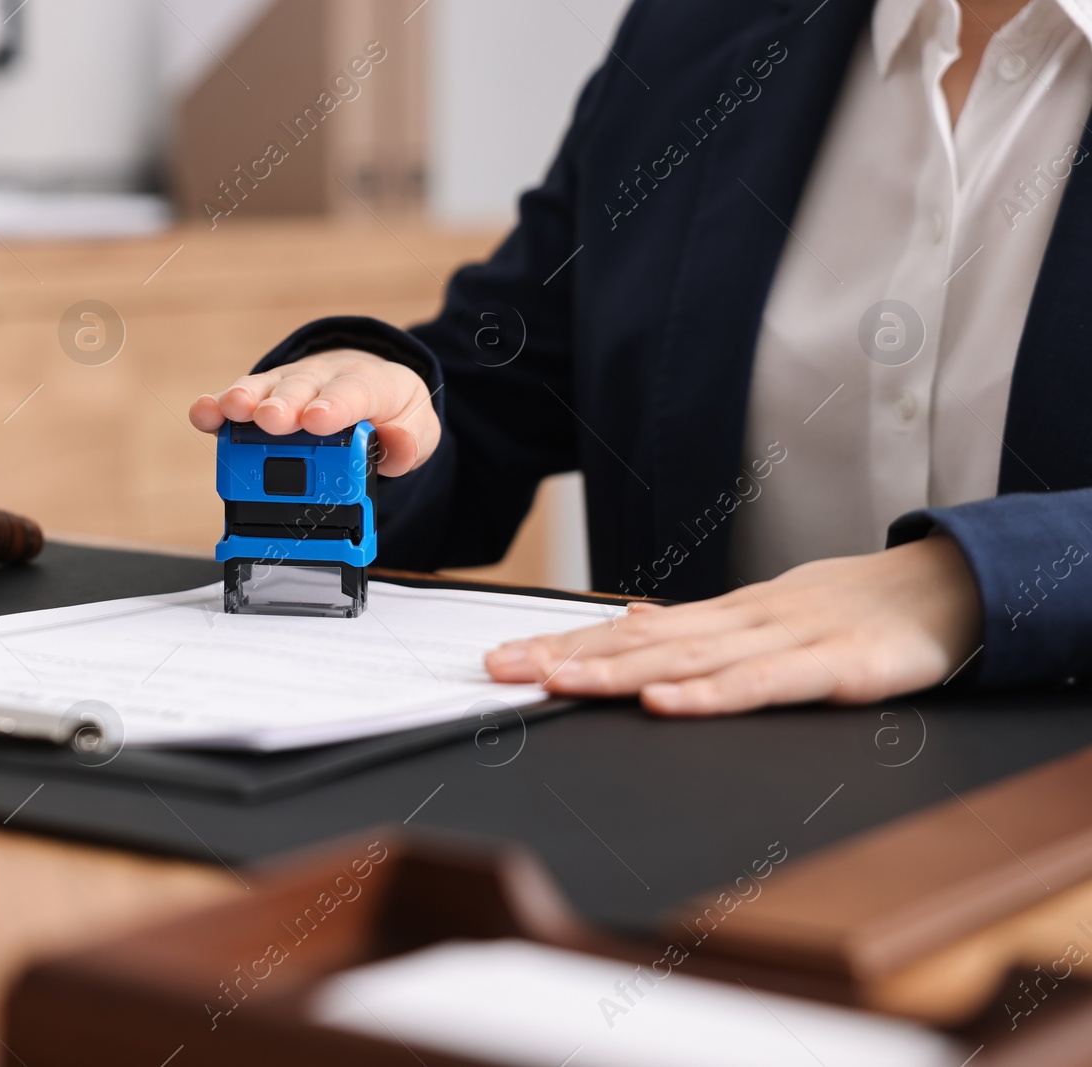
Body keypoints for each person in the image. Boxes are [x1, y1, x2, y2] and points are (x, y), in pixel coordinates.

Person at [189, 0, 1092, 716]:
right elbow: (488, 385)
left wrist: (963, 583)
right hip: (683, 800)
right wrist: (368, 399)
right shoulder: (693, 34)